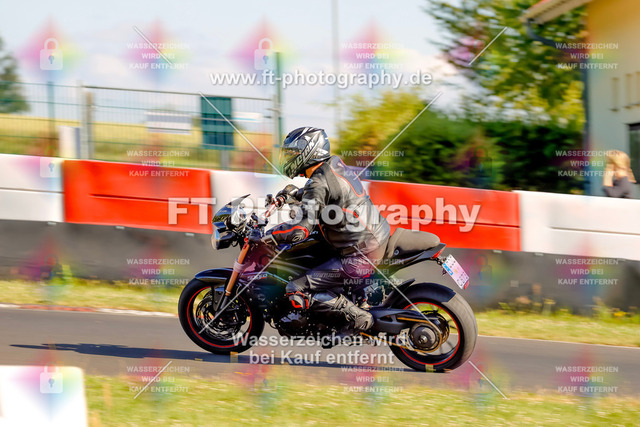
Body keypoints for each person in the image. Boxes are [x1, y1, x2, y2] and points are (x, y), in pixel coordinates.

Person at [250, 127, 390, 331]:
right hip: (372, 236)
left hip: (360, 252)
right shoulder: (333, 165)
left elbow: (300, 230)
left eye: (293, 152)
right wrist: (295, 194)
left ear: (309, 151)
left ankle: (359, 318)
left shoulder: (318, 182)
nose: (289, 157)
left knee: (296, 287)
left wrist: (269, 237)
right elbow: (325, 192)